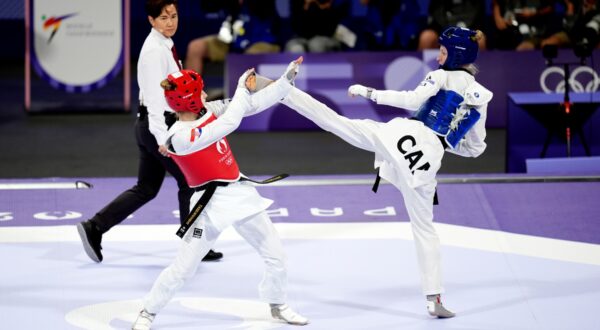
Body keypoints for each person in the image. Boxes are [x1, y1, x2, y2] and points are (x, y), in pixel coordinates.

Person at [277, 27, 492, 318]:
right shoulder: (481, 95)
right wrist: (444, 143)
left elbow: (412, 101)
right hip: (428, 161)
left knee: (339, 124)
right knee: (425, 228)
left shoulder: (440, 76)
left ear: (456, 55)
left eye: (443, 51)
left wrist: (369, 92)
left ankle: (285, 93)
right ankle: (434, 298)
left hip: (403, 136)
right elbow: (476, 148)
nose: (438, 56)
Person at [131, 59, 309, 329]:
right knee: (183, 269)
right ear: (189, 100)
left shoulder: (210, 109)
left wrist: (285, 80)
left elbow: (252, 105)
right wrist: (240, 88)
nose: (205, 94)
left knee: (276, 256)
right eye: (200, 91)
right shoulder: (178, 136)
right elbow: (229, 123)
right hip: (207, 205)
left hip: (239, 192)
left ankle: (278, 304)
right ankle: (147, 312)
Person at [76, 0, 222, 263]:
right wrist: (162, 139)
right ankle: (194, 246)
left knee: (146, 188)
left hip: (149, 126)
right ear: (151, 20)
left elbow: (171, 90)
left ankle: (94, 227)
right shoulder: (155, 51)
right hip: (157, 128)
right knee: (190, 180)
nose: (171, 22)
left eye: (174, 16)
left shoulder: (164, 45)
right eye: (164, 18)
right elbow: (155, 102)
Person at [185, 0, 281, 76]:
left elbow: (263, 8)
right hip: (232, 41)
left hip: (261, 40)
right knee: (196, 47)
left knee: (248, 57)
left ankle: (244, 97)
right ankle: (191, 94)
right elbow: (208, 6)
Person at [285, 0, 356, 53]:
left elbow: (328, 30)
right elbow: (296, 27)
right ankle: (299, 72)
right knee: (295, 48)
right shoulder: (298, 2)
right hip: (301, 37)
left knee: (316, 44)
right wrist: (306, 5)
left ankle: (320, 72)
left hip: (328, 38)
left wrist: (321, 6)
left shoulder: (335, 3)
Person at [418, 0, 487, 50]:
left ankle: (479, 69)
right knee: (427, 37)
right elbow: (435, 24)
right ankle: (424, 68)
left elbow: (478, 26)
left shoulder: (476, 2)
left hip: (467, 36)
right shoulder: (438, 3)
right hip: (443, 35)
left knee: (479, 39)